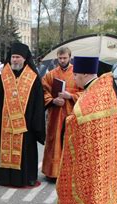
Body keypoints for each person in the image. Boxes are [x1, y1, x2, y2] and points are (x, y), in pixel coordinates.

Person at [53, 56, 117, 204]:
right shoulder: (101, 89)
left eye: (75, 75)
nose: (73, 78)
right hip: (102, 155)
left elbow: (78, 120)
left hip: (89, 157)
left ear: (85, 74)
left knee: (84, 189)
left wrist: (68, 121)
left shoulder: (92, 96)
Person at [0, 42, 46, 187]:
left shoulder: (33, 77)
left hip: (26, 125)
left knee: (25, 152)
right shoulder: (5, 75)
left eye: (17, 57)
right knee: (5, 149)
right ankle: (4, 178)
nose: (14, 60)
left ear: (24, 59)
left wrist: (36, 124)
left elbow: (38, 103)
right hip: (5, 122)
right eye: (12, 57)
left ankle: (26, 178)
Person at [41, 47, 83, 182]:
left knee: (70, 141)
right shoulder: (50, 74)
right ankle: (52, 172)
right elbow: (43, 91)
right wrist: (53, 100)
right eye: (60, 58)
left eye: (65, 58)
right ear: (57, 58)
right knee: (54, 140)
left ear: (70, 57)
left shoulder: (78, 74)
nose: (62, 60)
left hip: (71, 113)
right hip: (55, 114)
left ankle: (69, 173)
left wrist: (70, 95)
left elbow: (86, 92)